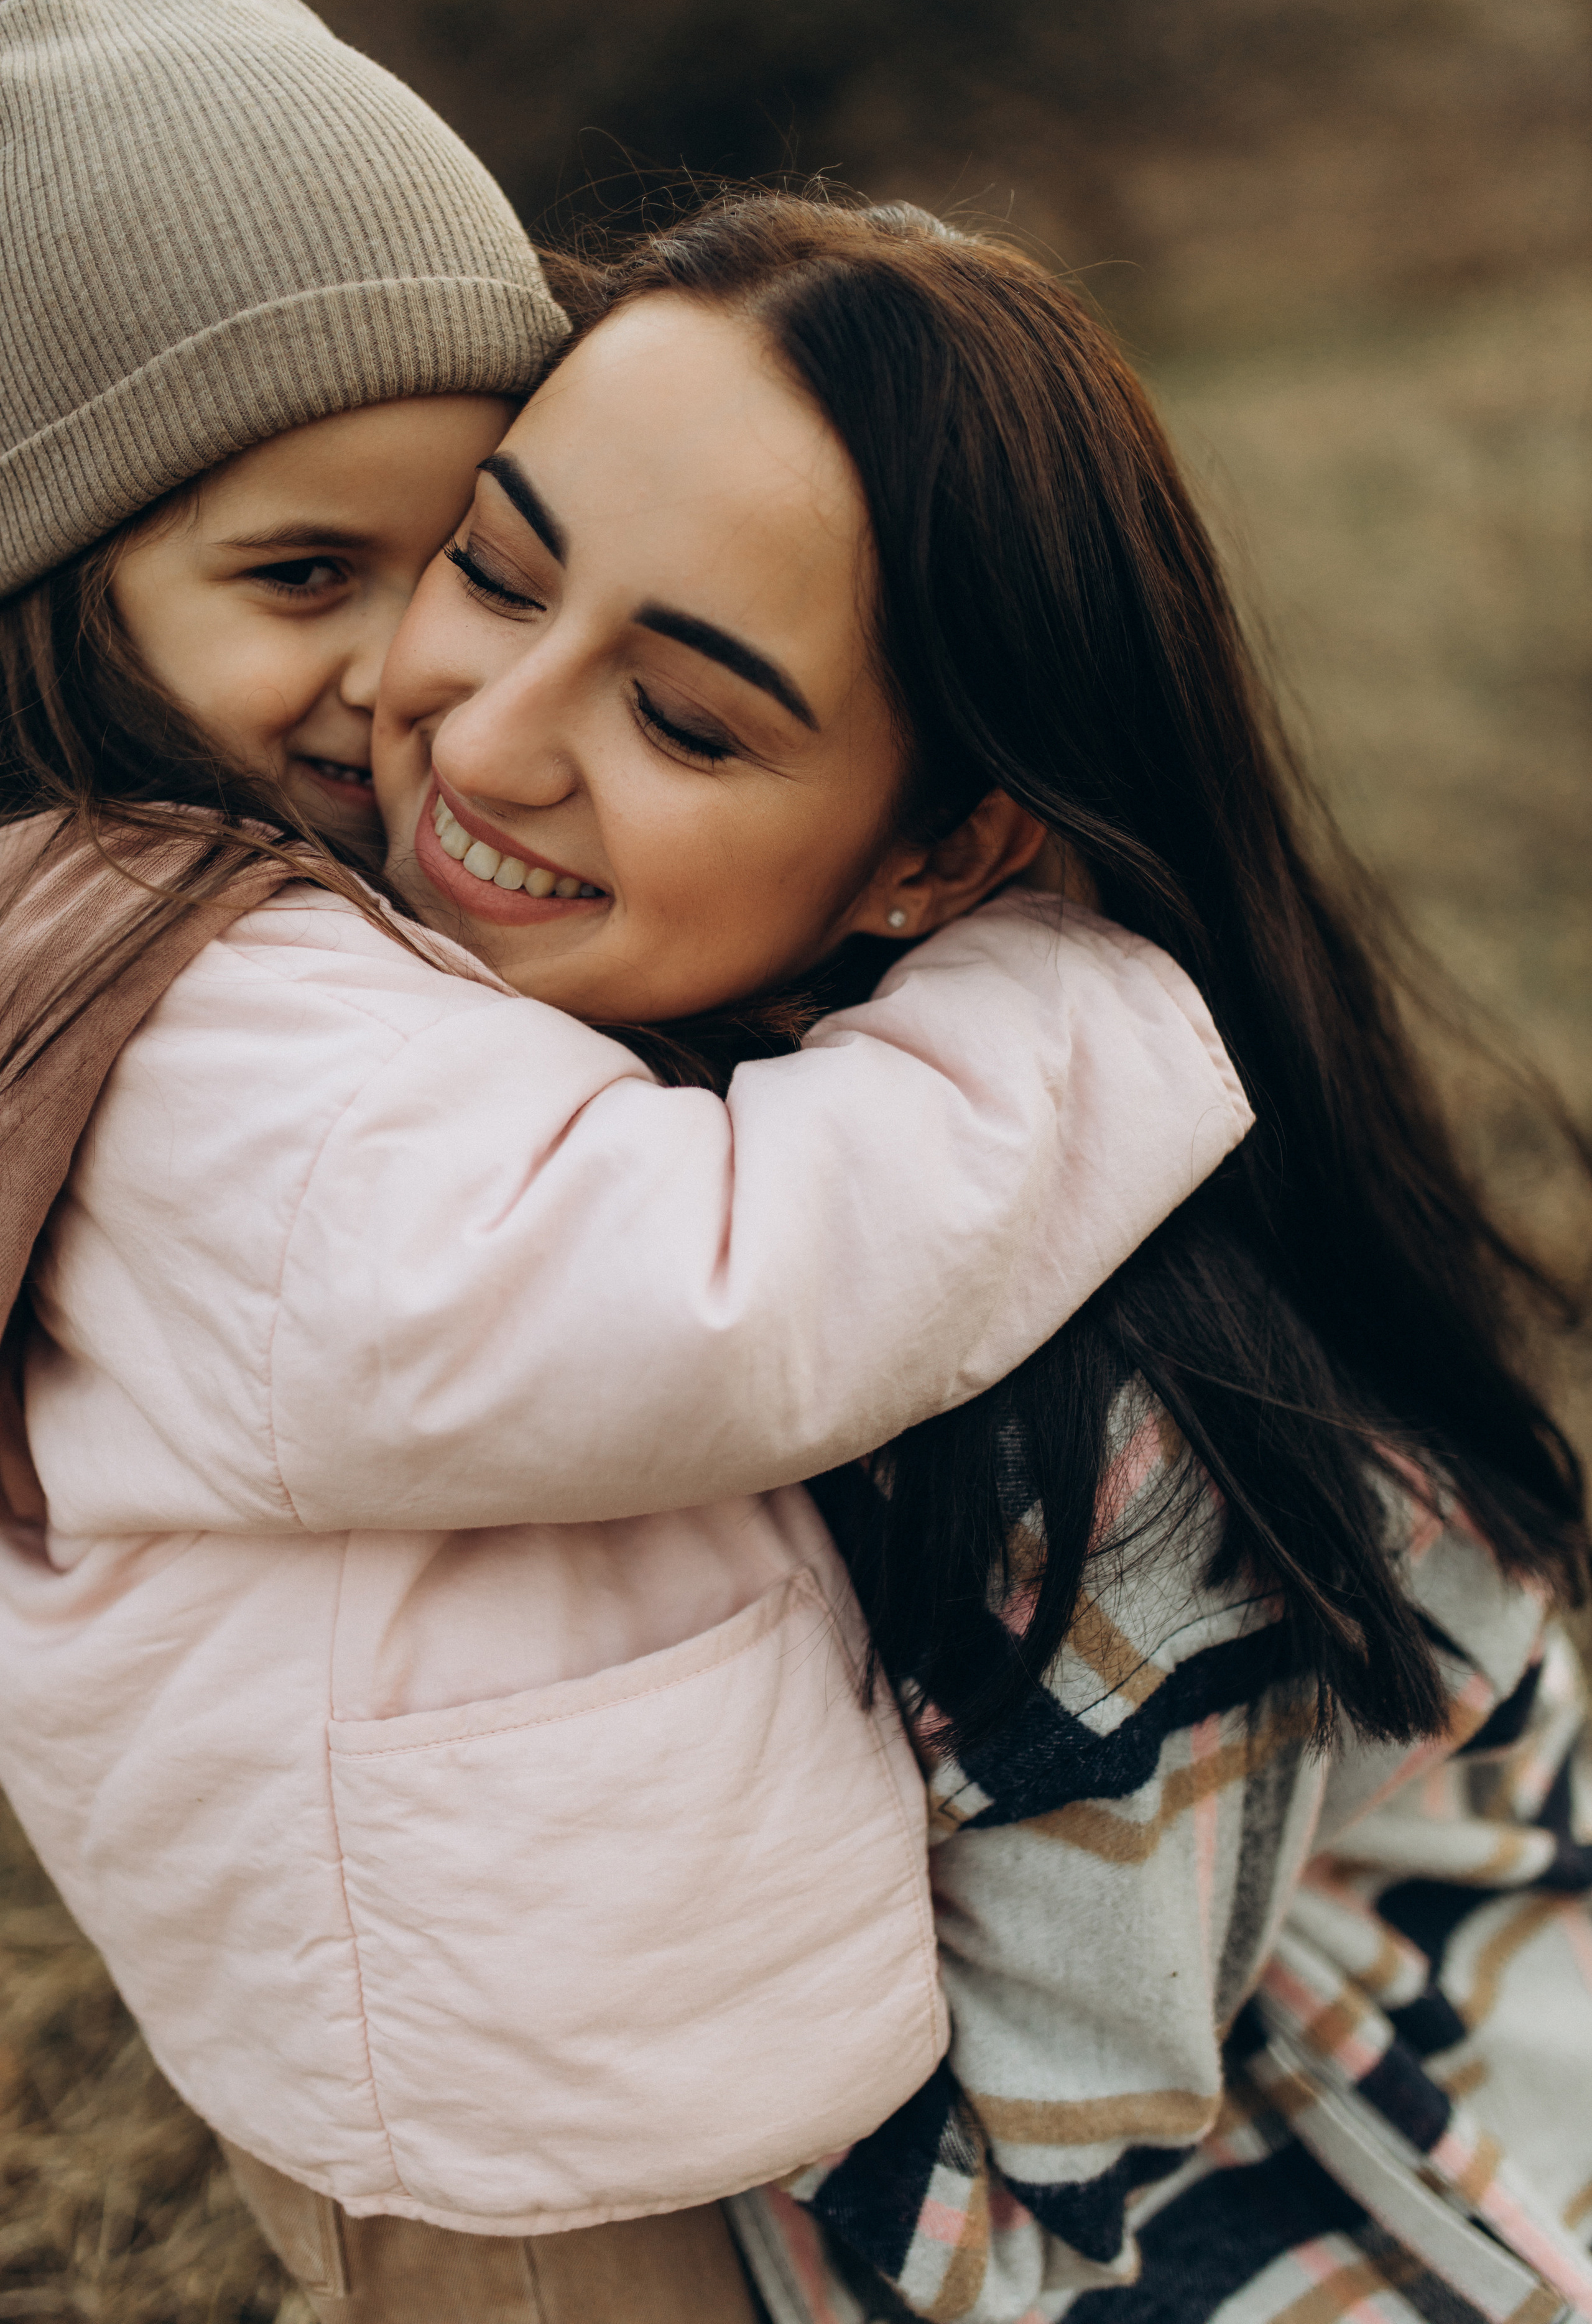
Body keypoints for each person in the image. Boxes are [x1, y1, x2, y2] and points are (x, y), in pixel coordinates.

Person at [0, 0, 1251, 2317]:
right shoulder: (204, 1021)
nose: (420, 704)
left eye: (443, 541)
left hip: (488, 2031)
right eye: (303, 577)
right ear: (53, 588)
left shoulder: (167, 939)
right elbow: (696, 1288)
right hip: (510, 2112)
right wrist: (1056, 1014)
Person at [423, 196, 1592, 2323]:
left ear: (941, 853)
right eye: (495, 566)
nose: (484, 740)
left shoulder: (1129, 1468)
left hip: (1343, 2152)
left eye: (685, 720)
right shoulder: (351, 1006)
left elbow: (1007, 2242)